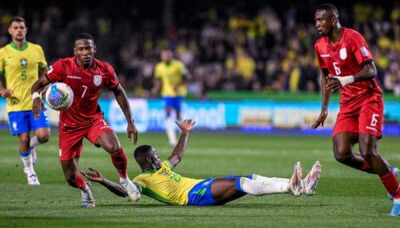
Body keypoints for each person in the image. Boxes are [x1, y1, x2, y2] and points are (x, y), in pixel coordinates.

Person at [81, 119, 321, 206]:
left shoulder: (163, 167)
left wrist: (185, 133)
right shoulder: (142, 180)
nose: (158, 157)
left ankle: (298, 186)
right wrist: (103, 180)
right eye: (153, 155)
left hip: (199, 186)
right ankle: (290, 187)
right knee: (241, 182)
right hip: (192, 197)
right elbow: (125, 193)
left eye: (156, 154)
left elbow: (177, 155)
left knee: (251, 179)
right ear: (144, 160)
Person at [31, 33, 140, 208]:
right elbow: (38, 84)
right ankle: (86, 189)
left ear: (94, 49)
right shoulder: (63, 66)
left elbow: (118, 91)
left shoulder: (104, 69)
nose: (85, 52)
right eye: (81, 49)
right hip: (68, 127)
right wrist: (36, 97)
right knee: (71, 177)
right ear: (75, 51)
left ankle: (125, 179)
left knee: (114, 146)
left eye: (88, 48)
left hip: (92, 120)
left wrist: (130, 121)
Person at [312, 4, 400, 216]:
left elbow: (371, 69)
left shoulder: (353, 38)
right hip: (348, 104)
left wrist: (347, 79)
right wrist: (324, 109)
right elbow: (326, 77)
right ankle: (388, 172)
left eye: (321, 20)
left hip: (369, 99)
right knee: (341, 153)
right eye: (316, 21)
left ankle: (397, 196)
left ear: (333, 19)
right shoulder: (319, 46)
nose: (317, 25)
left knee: (367, 151)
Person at [0, 16, 50, 186]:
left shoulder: (37, 49)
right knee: (23, 139)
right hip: (15, 103)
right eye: (15, 27)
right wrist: (2, 90)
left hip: (35, 101)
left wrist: (43, 92)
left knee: (44, 136)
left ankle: (32, 146)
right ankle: (30, 172)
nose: (19, 30)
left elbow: (45, 73)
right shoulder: (3, 52)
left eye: (22, 27)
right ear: (10, 31)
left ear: (26, 30)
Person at [152, 50, 188, 147]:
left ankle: (183, 137)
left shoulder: (178, 65)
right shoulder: (159, 67)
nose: (165, 58)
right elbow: (159, 79)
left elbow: (185, 77)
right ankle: (172, 140)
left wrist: (178, 85)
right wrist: (156, 88)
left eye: (167, 56)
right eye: (163, 56)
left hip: (178, 93)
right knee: (167, 114)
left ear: (170, 56)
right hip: (167, 93)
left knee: (178, 115)